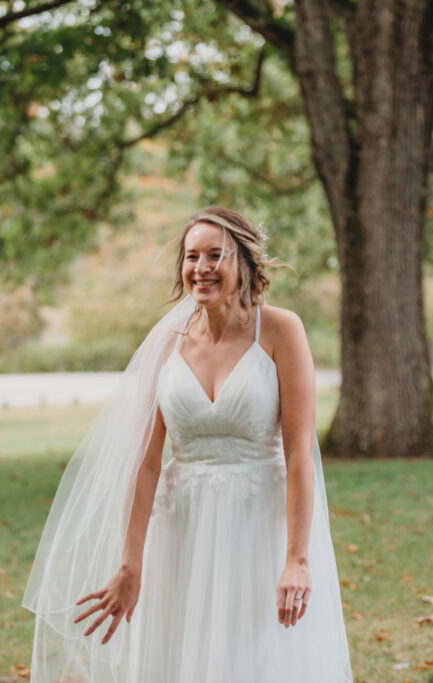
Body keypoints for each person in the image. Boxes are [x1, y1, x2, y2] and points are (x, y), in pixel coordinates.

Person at [23, 207, 352, 682]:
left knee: (256, 659)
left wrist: (296, 560)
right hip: (182, 531)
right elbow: (145, 463)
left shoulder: (281, 331)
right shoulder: (164, 344)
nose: (202, 267)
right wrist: (130, 564)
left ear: (243, 261)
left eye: (215, 255)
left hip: (258, 526)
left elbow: (300, 452)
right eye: (192, 256)